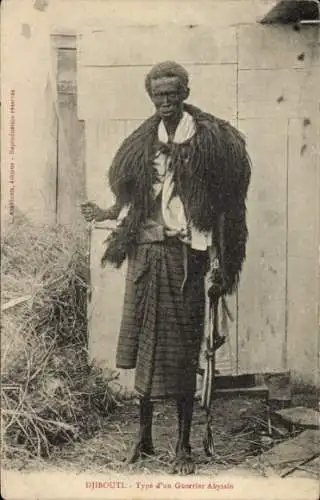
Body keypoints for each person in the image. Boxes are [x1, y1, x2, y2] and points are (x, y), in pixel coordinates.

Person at [81, 61, 251, 475]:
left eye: (172, 93)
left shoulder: (211, 141)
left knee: (181, 353)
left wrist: (221, 266)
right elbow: (128, 193)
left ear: (185, 92)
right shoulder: (142, 143)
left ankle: (183, 445)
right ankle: (144, 436)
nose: (165, 101)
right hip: (146, 255)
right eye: (158, 95)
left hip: (184, 259)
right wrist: (108, 210)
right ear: (150, 96)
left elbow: (230, 207)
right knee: (145, 347)